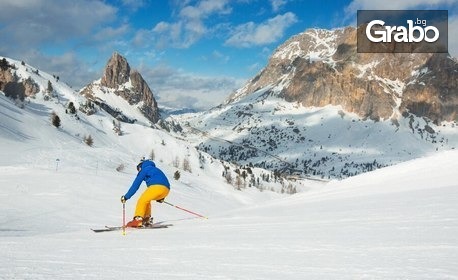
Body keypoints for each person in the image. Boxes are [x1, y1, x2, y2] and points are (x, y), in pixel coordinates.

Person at [121, 159, 170, 227]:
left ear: (141, 166)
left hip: (156, 187)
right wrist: (161, 197)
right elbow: (163, 181)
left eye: (138, 169)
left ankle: (138, 220)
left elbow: (135, 185)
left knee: (142, 200)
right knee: (147, 200)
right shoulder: (156, 169)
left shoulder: (145, 169)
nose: (138, 171)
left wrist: (126, 197)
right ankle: (147, 219)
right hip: (166, 190)